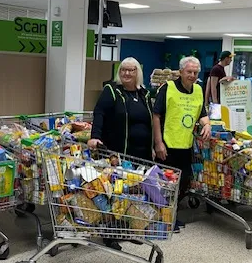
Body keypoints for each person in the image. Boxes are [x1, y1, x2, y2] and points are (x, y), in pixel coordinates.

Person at [88, 57, 154, 250]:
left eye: (131, 70)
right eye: (123, 70)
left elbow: (150, 121)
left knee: (135, 193)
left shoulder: (144, 94)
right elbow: (99, 112)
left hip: (142, 154)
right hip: (118, 153)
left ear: (138, 73)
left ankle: (130, 227)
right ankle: (110, 234)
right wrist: (94, 136)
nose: (126, 73)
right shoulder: (112, 91)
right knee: (116, 195)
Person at [153, 56, 212, 229]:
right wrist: (158, 143)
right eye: (189, 72)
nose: (192, 75)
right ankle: (161, 219)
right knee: (164, 185)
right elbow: (156, 116)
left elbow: (202, 114)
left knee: (183, 183)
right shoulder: (168, 88)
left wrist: (207, 124)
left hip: (186, 146)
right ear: (180, 72)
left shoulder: (198, 90)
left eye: (195, 72)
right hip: (167, 145)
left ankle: (171, 216)